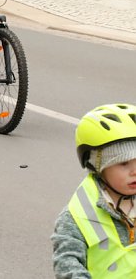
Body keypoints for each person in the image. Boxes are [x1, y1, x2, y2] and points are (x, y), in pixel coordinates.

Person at [52, 103, 136, 277]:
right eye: (123, 163)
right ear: (98, 166)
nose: (134, 171)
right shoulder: (78, 215)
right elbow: (67, 263)